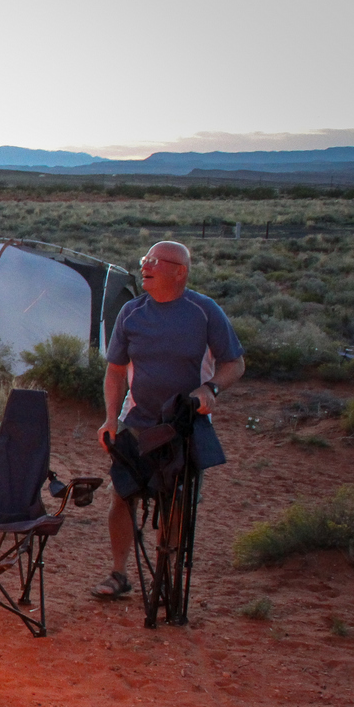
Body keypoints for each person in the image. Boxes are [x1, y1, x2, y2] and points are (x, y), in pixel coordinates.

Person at [92, 240, 244, 598]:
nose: (146, 265)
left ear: (180, 272)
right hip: (137, 419)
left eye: (155, 261)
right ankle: (118, 573)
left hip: (184, 423)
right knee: (122, 495)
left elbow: (234, 363)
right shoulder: (131, 312)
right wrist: (110, 418)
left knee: (177, 500)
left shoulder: (205, 312)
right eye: (145, 259)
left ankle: (166, 574)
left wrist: (211, 389)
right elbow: (114, 373)